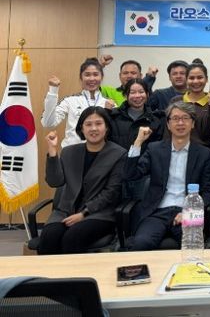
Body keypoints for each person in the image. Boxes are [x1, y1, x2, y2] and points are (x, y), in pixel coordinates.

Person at [126, 102, 210, 250]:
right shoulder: (155, 149)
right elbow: (131, 174)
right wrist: (138, 142)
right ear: (168, 124)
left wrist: (190, 212)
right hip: (157, 212)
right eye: (175, 118)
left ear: (193, 123)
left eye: (185, 118)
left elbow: (208, 192)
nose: (180, 123)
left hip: (187, 211)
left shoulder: (203, 153)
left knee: (193, 247)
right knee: (140, 243)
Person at [38, 107, 126, 254]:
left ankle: (74, 271)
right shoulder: (69, 152)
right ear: (81, 129)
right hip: (65, 212)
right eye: (88, 124)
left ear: (107, 127)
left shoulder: (118, 154)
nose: (94, 128)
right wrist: (52, 152)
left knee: (72, 237)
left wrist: (84, 213)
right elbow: (55, 182)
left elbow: (111, 192)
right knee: (49, 237)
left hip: (99, 214)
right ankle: (49, 271)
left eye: (99, 124)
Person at [109, 78, 166, 199]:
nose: (137, 96)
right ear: (125, 95)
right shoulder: (113, 116)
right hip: (115, 175)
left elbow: (156, 152)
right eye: (132, 92)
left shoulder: (156, 120)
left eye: (141, 92)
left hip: (143, 176)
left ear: (147, 94)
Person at [41, 57, 114, 148]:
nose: (92, 78)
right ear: (81, 78)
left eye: (95, 74)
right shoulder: (70, 101)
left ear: (101, 77)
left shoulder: (110, 104)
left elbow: (113, 133)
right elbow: (47, 123)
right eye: (87, 75)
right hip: (72, 153)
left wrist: (108, 112)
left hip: (101, 153)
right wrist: (53, 91)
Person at [171, 61, 210, 160]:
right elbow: (169, 129)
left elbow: (209, 131)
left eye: (200, 77)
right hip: (178, 152)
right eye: (191, 78)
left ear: (206, 79)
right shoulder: (176, 101)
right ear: (186, 79)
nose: (195, 81)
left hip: (204, 154)